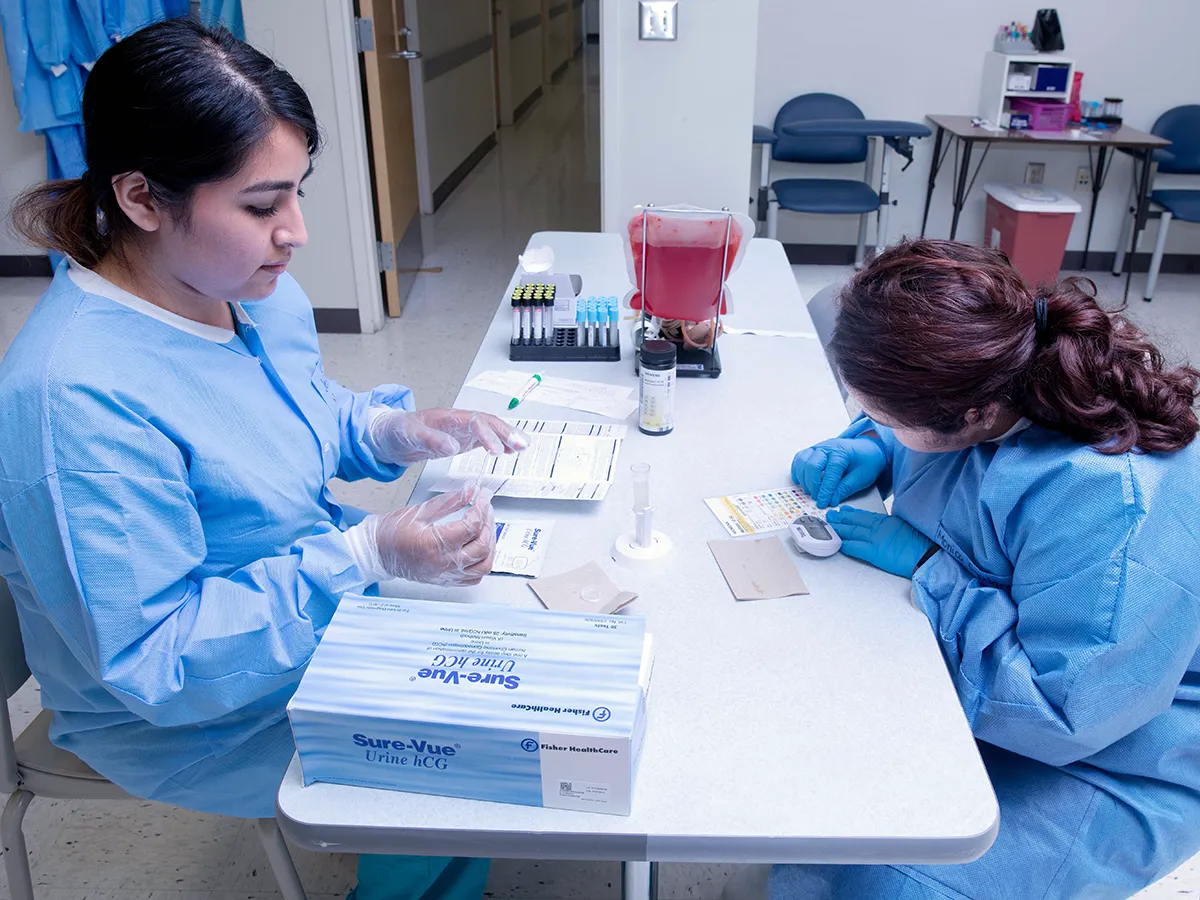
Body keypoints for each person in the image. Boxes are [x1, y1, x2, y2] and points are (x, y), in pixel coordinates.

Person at [0, 19, 526, 900]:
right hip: (192, 714)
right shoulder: (76, 397)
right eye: (261, 206)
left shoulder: (241, 289)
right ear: (141, 198)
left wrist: (389, 431)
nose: (296, 233)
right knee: (457, 748)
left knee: (506, 633)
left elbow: (288, 414)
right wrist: (362, 555)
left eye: (297, 195)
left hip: (296, 599)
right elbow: (156, 663)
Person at [765, 240, 1200, 899]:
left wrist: (932, 571)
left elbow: (1066, 710)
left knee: (892, 877)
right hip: (996, 682)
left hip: (1119, 750)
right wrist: (872, 444)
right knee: (819, 776)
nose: (874, 420)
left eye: (883, 415)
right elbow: (933, 429)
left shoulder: (1109, 502)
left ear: (974, 414)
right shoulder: (996, 373)